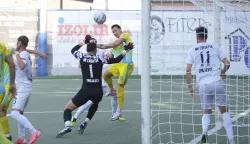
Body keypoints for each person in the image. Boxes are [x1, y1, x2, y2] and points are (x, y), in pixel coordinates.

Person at [56, 39, 134, 138]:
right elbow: (116, 60)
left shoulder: (82, 56)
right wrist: (125, 50)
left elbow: (73, 50)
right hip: (98, 91)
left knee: (67, 109)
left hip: (85, 90)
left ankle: (67, 126)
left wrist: (83, 41)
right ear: (96, 50)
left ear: (86, 49)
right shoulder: (100, 58)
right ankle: (85, 122)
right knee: (95, 103)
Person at [186, 26, 234, 144]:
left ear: (197, 37)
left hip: (203, 85)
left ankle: (204, 132)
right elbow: (227, 64)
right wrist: (221, 72)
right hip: (216, 82)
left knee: (206, 111)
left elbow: (188, 70)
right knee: (224, 111)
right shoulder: (214, 46)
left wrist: (190, 87)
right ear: (206, 37)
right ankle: (232, 141)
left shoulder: (192, 50)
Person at [70, 36, 123, 128]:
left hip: (101, 81)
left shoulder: (100, 52)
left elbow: (111, 57)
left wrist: (112, 53)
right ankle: (75, 117)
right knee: (90, 102)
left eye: (95, 41)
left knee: (114, 95)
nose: (94, 42)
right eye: (92, 41)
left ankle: (115, 114)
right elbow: (80, 65)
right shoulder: (89, 54)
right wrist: (123, 53)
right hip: (95, 83)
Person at [0, 45, 47, 142]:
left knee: (3, 109)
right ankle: (21, 138)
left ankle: (7, 136)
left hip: (11, 85)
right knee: (17, 111)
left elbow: (19, 51)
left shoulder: (4, 49)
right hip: (7, 85)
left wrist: (38, 52)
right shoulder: (5, 49)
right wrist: (38, 52)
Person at [96, 24, 134, 121]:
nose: (114, 33)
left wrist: (97, 45)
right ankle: (112, 90)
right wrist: (102, 55)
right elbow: (111, 54)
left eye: (116, 30)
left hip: (126, 65)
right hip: (118, 64)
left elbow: (115, 44)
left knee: (120, 86)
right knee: (105, 75)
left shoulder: (124, 36)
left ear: (120, 30)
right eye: (113, 32)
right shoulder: (115, 46)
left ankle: (118, 111)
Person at [9, 36, 40, 144]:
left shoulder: (22, 55)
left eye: (17, 42)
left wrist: (16, 54)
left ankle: (34, 131)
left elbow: (21, 66)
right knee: (20, 112)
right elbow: (26, 52)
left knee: (14, 113)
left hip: (23, 87)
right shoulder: (24, 53)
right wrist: (37, 52)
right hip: (22, 86)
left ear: (20, 43)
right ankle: (21, 138)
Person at [0, 42, 16, 144]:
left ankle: (6, 135)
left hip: (6, 88)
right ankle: (6, 135)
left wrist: (11, 84)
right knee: (2, 111)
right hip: (5, 87)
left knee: (1, 110)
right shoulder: (3, 46)